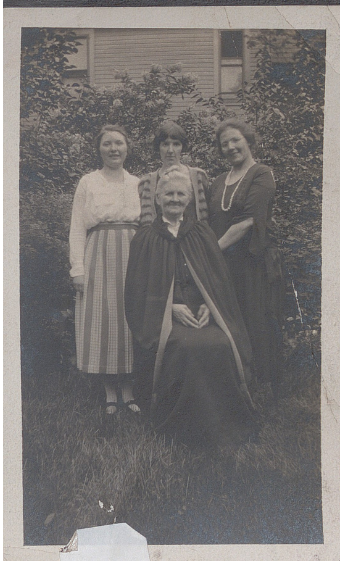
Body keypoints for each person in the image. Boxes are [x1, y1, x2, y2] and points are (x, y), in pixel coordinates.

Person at [125, 168, 257, 446]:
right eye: (169, 194)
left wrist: (211, 307)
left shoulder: (201, 232)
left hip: (202, 313)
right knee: (184, 347)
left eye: (180, 194)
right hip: (165, 320)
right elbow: (137, 292)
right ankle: (182, 427)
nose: (174, 199)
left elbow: (218, 281)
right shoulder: (146, 237)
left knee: (219, 342)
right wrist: (170, 308)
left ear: (189, 200)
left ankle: (223, 421)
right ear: (158, 199)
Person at [69, 125, 141, 414]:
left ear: (127, 147)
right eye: (107, 144)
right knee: (105, 319)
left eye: (119, 144)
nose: (114, 149)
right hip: (98, 253)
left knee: (129, 319)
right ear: (99, 149)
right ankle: (110, 389)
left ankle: (129, 388)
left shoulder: (139, 183)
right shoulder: (88, 182)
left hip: (133, 254)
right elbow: (76, 227)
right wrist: (78, 269)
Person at [208, 119, 284, 389]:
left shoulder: (261, 174)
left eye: (235, 140)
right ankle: (234, 384)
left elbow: (247, 221)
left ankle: (263, 387)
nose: (230, 147)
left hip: (251, 263)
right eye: (224, 143)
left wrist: (210, 253)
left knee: (255, 321)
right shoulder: (218, 182)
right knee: (228, 322)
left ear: (248, 141)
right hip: (222, 263)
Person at [138, 120, 211, 225]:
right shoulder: (147, 182)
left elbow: (206, 217)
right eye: (165, 144)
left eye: (176, 144)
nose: (170, 150)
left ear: (182, 147)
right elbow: (146, 223)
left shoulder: (198, 176)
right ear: (158, 147)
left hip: (194, 239)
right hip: (159, 240)